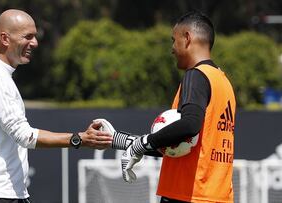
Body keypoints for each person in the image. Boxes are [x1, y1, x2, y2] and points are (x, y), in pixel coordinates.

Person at [0, 9, 113, 203]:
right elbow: (24, 135)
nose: (35, 43)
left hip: (7, 195)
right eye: (28, 36)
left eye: (35, 36)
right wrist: (79, 139)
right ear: (4, 38)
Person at [99, 11, 236, 203]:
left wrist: (141, 145)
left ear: (187, 38)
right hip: (216, 197)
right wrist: (122, 141)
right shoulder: (223, 81)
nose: (172, 48)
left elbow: (189, 125)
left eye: (174, 40)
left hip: (188, 195)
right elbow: (183, 146)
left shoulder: (196, 75)